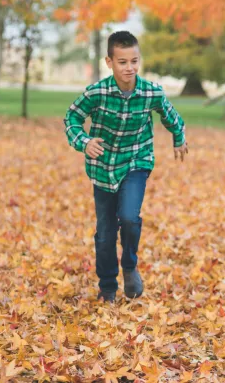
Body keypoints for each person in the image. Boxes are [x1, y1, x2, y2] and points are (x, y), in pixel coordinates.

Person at [64, 31, 188, 303]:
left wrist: (179, 139)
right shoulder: (96, 93)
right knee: (106, 233)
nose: (129, 68)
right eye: (122, 62)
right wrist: (83, 141)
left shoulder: (150, 92)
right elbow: (72, 117)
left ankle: (129, 265)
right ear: (109, 62)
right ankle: (107, 288)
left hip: (136, 160)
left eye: (134, 61)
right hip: (103, 168)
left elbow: (171, 116)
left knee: (130, 218)